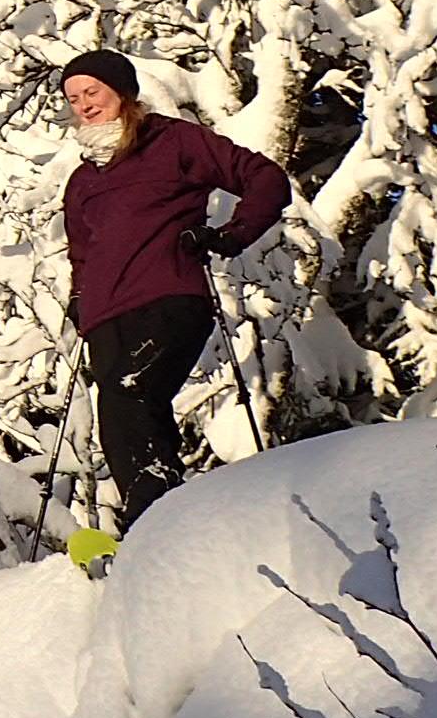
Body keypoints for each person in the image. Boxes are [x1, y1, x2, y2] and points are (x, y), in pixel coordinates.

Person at [56, 47, 290, 530]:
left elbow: (264, 178)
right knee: (121, 420)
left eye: (92, 91)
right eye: (73, 97)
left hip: (169, 295)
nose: (83, 104)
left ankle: (156, 518)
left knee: (130, 393)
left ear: (121, 92)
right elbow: (82, 250)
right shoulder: (82, 179)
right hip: (105, 316)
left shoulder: (173, 141)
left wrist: (232, 234)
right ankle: (159, 526)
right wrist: (80, 300)